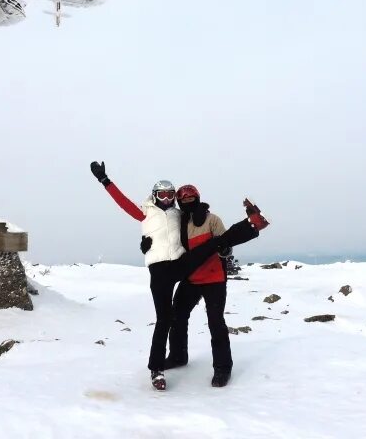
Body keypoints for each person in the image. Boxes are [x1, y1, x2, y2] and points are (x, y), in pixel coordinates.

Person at [90, 161, 268, 391]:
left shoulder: (188, 216)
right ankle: (166, 363)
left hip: (196, 271)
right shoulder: (159, 215)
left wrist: (222, 244)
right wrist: (105, 181)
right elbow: (125, 204)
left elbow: (210, 229)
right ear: (155, 196)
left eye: (170, 195)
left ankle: (252, 226)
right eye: (162, 195)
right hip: (173, 272)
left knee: (213, 249)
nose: (167, 199)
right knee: (169, 318)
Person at [164, 184, 241, 387]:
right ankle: (178, 356)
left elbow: (228, 247)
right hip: (191, 279)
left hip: (214, 279)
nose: (187, 204)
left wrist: (224, 249)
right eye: (184, 201)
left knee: (216, 322)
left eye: (191, 200)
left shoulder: (212, 220)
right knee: (177, 315)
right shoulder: (180, 223)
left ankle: (223, 368)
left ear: (197, 199)